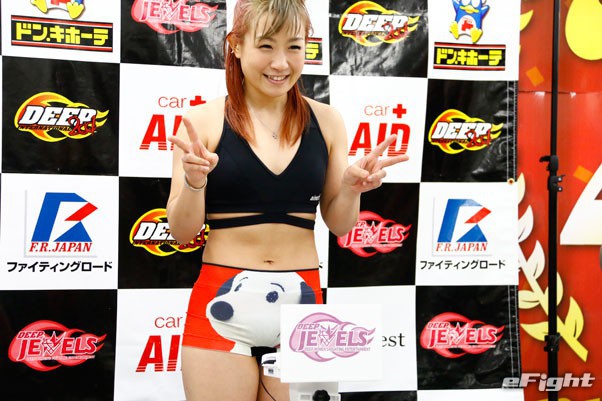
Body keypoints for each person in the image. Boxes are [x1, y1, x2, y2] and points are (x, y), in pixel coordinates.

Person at [166, 1, 409, 400]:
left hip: (303, 308)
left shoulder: (327, 121)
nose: (281, 63)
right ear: (236, 45)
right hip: (220, 303)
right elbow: (181, 232)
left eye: (294, 47)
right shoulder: (203, 121)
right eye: (266, 46)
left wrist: (350, 189)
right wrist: (195, 183)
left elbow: (340, 225)